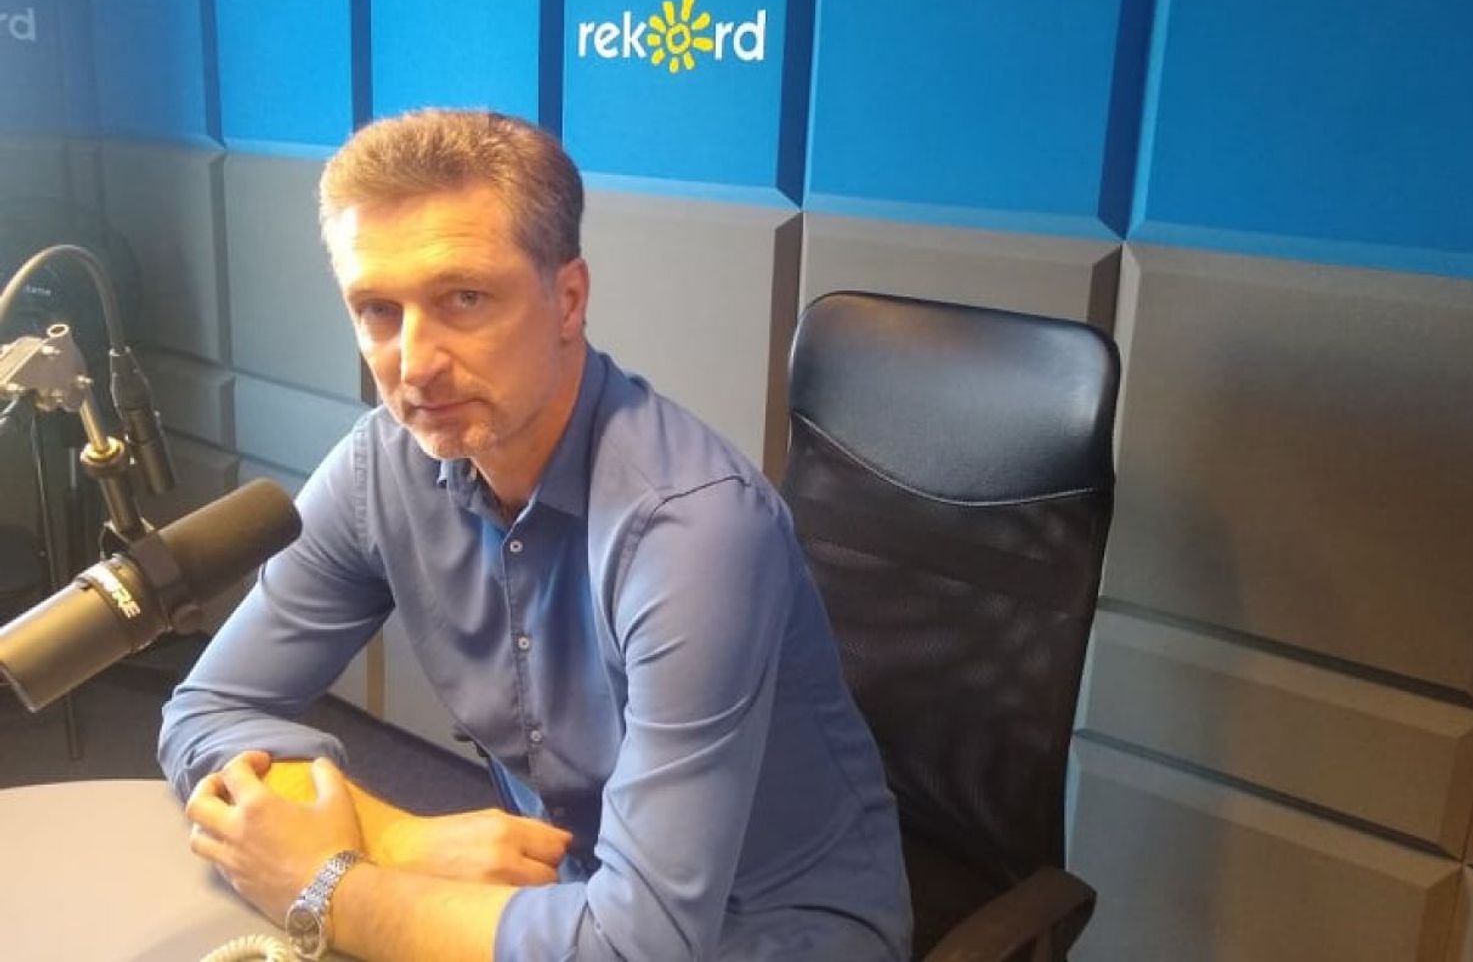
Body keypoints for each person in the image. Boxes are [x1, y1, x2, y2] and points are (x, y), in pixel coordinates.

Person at [158, 109, 912, 961]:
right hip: (572, 890)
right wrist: (397, 839)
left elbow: (639, 947)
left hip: (772, 926)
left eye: (464, 299)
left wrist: (329, 886)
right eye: (377, 310)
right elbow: (209, 710)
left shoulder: (693, 527)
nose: (415, 363)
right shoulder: (384, 466)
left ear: (568, 300)